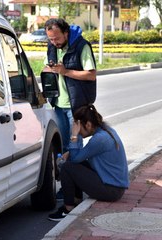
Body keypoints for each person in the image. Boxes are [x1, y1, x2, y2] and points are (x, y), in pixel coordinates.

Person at [48, 104, 129, 221]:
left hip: (111, 190)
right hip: (114, 186)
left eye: (78, 127)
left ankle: (68, 209)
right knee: (73, 163)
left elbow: (76, 158)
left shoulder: (99, 139)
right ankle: (76, 200)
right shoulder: (106, 130)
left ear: (88, 125)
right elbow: (81, 155)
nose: (77, 131)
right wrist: (70, 153)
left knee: (67, 167)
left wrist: (74, 136)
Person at [43, 18, 97, 153]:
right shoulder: (52, 47)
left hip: (76, 105)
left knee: (74, 145)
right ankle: (64, 171)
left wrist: (65, 71)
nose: (54, 42)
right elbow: (46, 69)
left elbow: (91, 75)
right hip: (58, 104)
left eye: (57, 38)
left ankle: (75, 172)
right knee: (61, 144)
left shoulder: (81, 46)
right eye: (51, 39)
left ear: (66, 33)